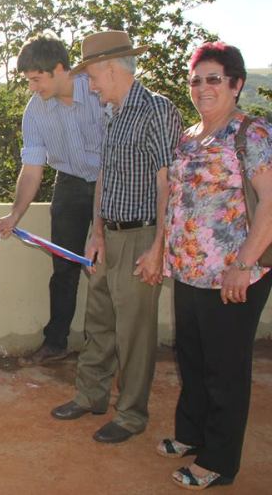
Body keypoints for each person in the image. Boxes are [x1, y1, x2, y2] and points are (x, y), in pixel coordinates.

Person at [50, 31, 182, 444]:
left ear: (111, 68)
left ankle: (131, 415)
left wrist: (158, 247)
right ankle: (91, 396)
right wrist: (97, 231)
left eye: (91, 76)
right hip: (109, 235)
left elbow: (167, 182)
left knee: (135, 332)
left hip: (143, 235)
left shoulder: (157, 110)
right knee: (99, 322)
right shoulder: (114, 112)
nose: (90, 85)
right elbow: (104, 176)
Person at [159, 42, 272, 490]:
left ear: (236, 84)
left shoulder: (251, 133)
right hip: (189, 270)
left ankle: (219, 461)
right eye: (195, 80)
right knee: (192, 358)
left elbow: (269, 203)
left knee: (224, 368)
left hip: (233, 273)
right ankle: (191, 434)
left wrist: (242, 264)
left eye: (213, 79)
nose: (202, 88)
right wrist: (160, 250)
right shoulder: (189, 136)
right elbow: (177, 199)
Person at [0, 33, 104, 366]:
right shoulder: (35, 111)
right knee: (64, 268)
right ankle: (56, 343)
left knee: (105, 269)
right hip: (68, 185)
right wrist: (14, 217)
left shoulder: (99, 92)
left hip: (109, 184)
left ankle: (103, 350)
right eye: (28, 80)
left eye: (36, 79)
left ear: (59, 69)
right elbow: (31, 169)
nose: (32, 87)